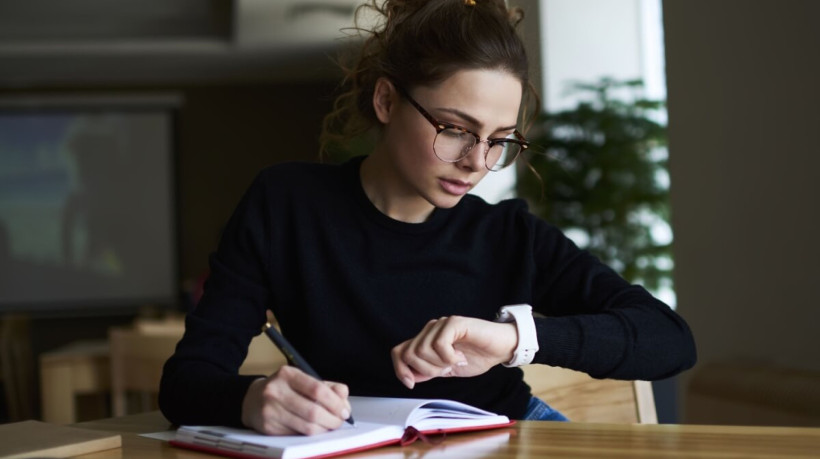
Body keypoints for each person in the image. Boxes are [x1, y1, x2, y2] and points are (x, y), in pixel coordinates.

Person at [159, 0, 696, 436]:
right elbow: (186, 382)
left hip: (509, 435)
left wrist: (513, 340)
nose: (477, 162)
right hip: (355, 445)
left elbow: (669, 339)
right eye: (456, 129)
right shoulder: (286, 204)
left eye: (499, 141)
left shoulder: (508, 234)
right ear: (388, 101)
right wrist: (251, 400)